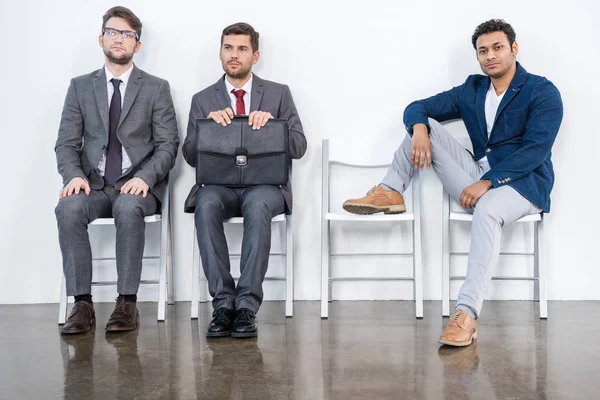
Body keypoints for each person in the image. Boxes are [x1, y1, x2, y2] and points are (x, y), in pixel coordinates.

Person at [343, 19, 562, 346]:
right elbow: (417, 107)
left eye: (497, 48)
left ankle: (466, 315)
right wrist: (419, 130)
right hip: (477, 177)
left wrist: (488, 182)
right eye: (483, 51)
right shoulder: (472, 90)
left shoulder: (542, 91)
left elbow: (536, 151)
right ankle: (390, 191)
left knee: (488, 208)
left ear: (514, 49)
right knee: (424, 125)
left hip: (524, 184)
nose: (490, 56)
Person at [55, 6, 179, 334]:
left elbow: (168, 145)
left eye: (127, 34)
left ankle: (127, 303)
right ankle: (82, 304)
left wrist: (145, 177)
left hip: (137, 185)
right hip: (92, 185)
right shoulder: (80, 87)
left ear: (137, 44)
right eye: (112, 31)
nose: (119, 39)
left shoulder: (156, 88)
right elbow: (66, 143)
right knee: (67, 208)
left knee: (127, 207)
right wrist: (74, 176)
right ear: (101, 39)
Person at [183, 22, 307, 338]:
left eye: (241, 49)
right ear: (220, 52)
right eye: (228, 48)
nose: (234, 55)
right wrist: (205, 129)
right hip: (219, 186)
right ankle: (223, 305)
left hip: (266, 187)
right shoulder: (202, 99)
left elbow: (299, 146)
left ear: (255, 55)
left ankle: (246, 308)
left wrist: (273, 128)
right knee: (206, 202)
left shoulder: (278, 94)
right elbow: (189, 154)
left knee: (257, 203)